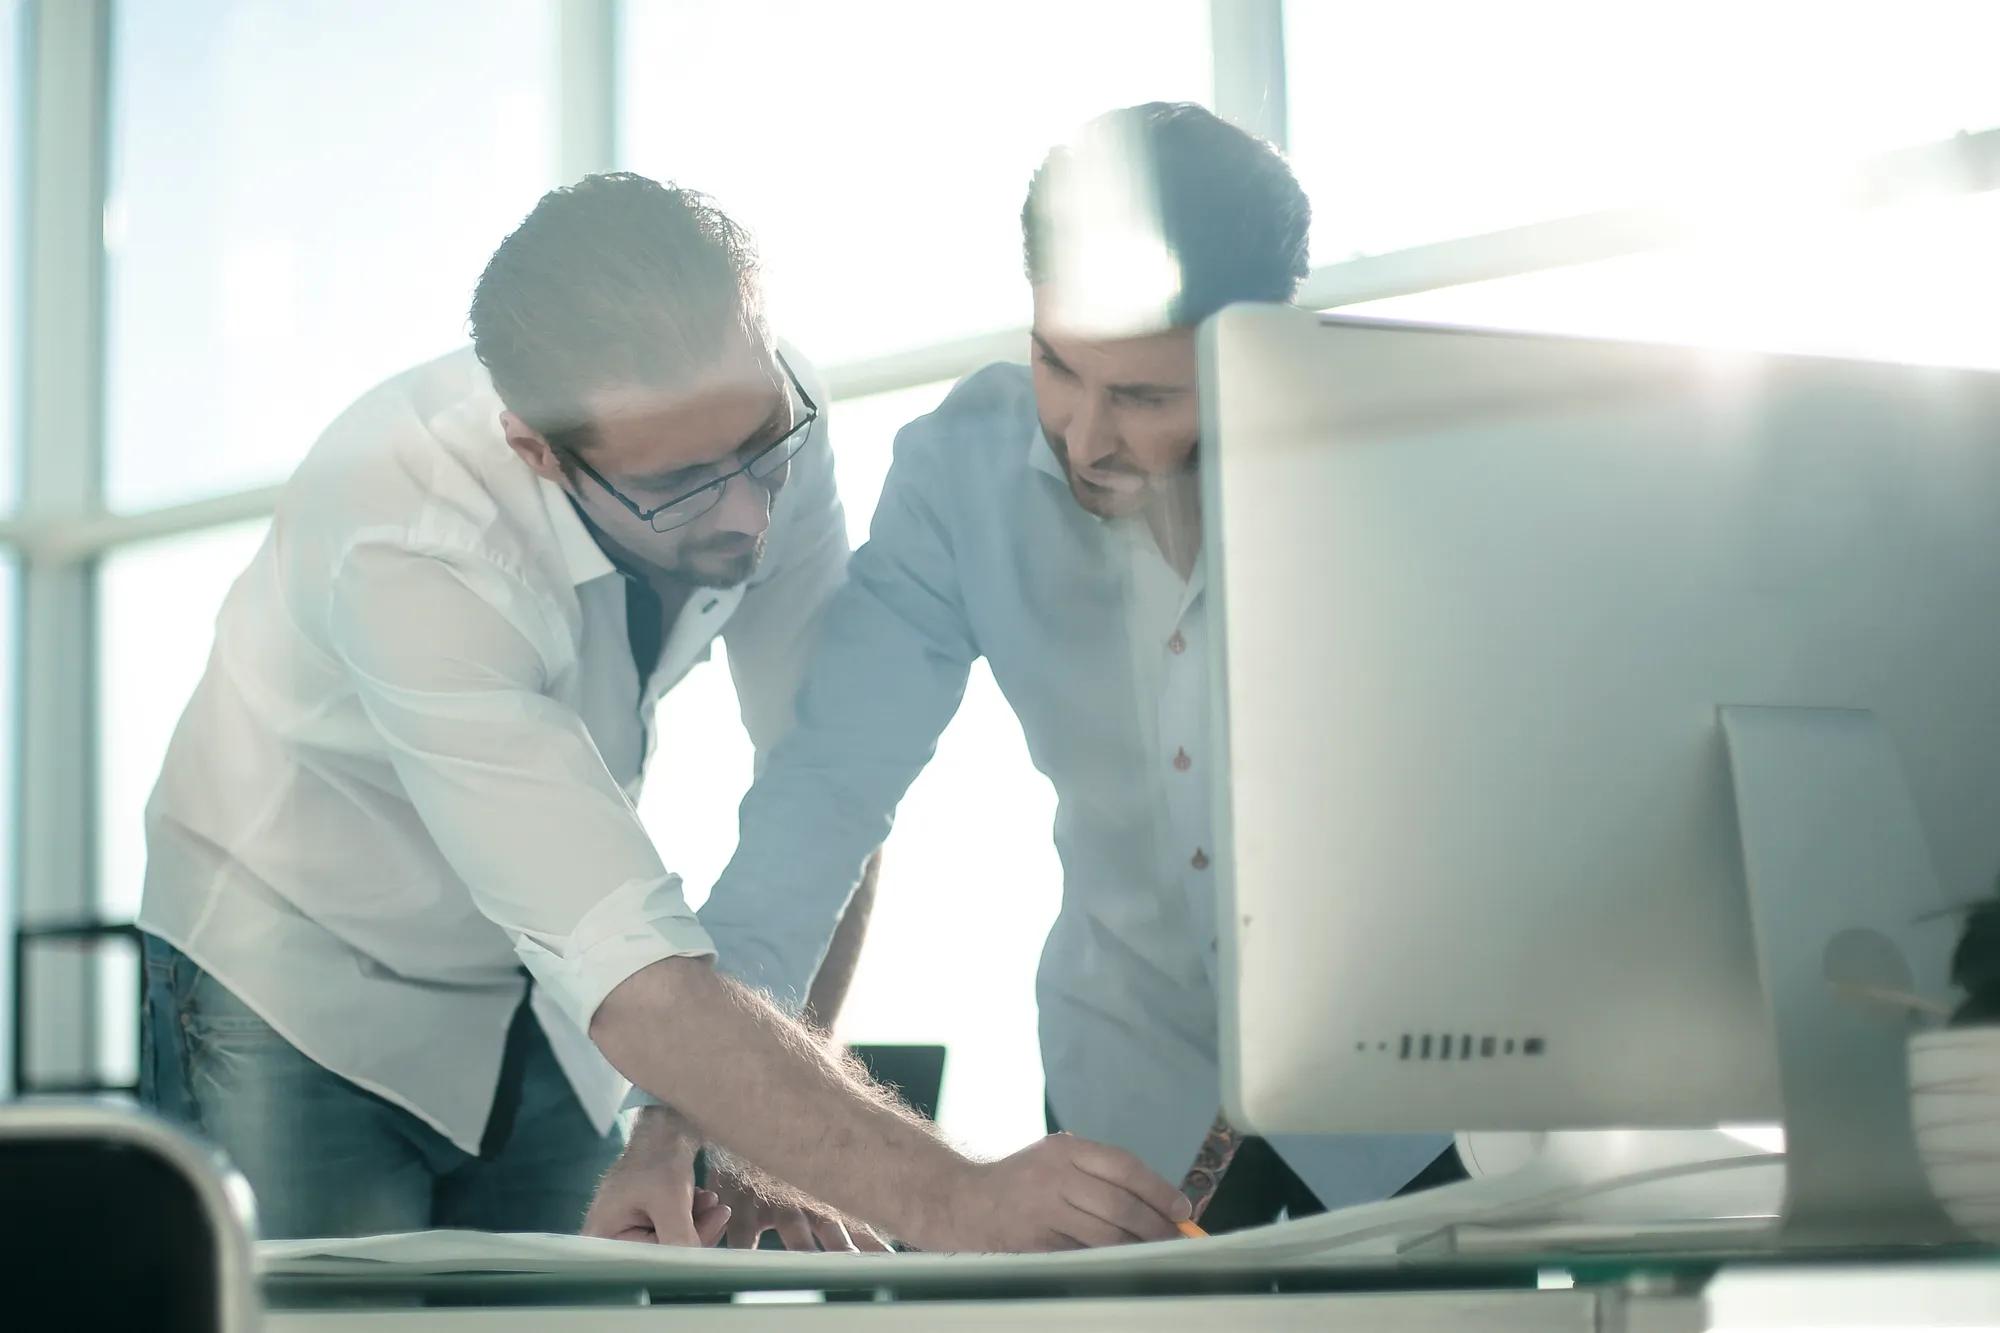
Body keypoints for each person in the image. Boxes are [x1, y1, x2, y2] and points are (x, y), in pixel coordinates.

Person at [138, 172, 1186, 1250]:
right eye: (684, 484)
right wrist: (954, 1199)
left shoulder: (765, 424)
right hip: (293, 976)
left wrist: (747, 1135)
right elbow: (631, 973)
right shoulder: (410, 533)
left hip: (551, 994)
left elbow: (818, 791)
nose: (747, 515)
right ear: (539, 452)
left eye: (759, 446)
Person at [587, 105, 1460, 1243]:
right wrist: (683, 1116)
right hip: (1122, 1113)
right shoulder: (960, 476)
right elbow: (821, 799)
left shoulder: (1400, 471)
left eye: (1144, 396)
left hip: (1398, 1096)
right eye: (1057, 363)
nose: (1083, 435)